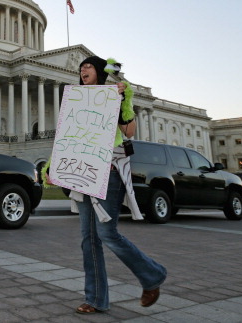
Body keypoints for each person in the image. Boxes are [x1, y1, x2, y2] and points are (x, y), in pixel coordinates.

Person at [74, 55, 167, 315]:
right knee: (88, 240)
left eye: (89, 66)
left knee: (106, 233)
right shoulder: (75, 101)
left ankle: (152, 275)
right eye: (81, 67)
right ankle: (95, 299)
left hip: (109, 169)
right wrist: (53, 169)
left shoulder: (112, 96)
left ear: (100, 73)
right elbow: (67, 137)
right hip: (83, 171)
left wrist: (125, 100)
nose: (84, 70)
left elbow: (129, 132)